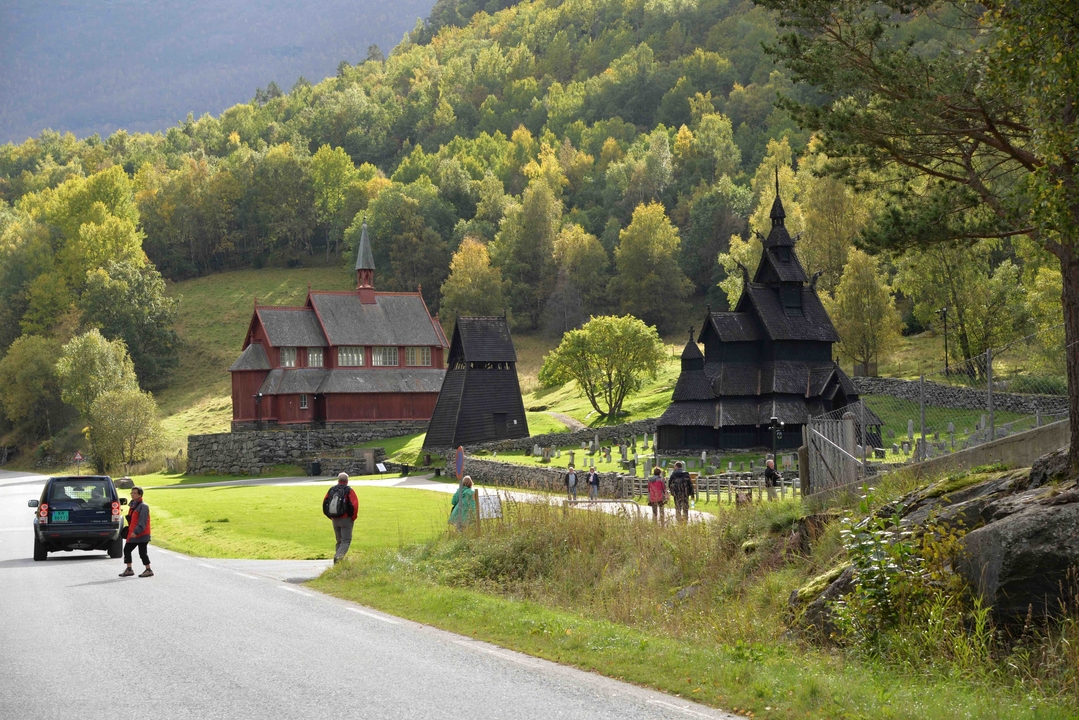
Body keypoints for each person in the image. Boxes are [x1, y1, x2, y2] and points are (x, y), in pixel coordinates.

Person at [323, 472, 359, 564]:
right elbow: (354, 505)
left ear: (338, 480)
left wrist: (331, 516)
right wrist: (352, 518)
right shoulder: (349, 490)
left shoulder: (331, 490)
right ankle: (338, 557)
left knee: (339, 541)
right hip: (346, 519)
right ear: (347, 481)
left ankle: (338, 562)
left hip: (334, 519)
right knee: (346, 540)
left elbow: (325, 504)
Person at [118, 486, 153, 578]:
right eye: (131, 493)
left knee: (142, 552)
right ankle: (129, 569)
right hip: (133, 533)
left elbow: (142, 521)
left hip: (141, 534)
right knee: (127, 550)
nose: (132, 494)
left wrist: (136, 532)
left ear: (140, 495)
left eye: (134, 493)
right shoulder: (133, 505)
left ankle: (148, 569)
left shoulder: (143, 506)